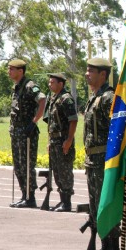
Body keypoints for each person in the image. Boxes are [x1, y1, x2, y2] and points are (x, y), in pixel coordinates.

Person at [82, 58, 120, 250]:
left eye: (91, 71)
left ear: (103, 74)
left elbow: (117, 131)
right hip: (93, 160)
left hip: (104, 160)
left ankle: (113, 249)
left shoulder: (108, 98)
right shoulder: (95, 97)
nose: (87, 74)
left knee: (107, 204)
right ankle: (105, 247)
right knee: (96, 205)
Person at [8, 59, 46, 208]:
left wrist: (34, 121)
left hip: (27, 133)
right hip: (16, 133)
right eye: (9, 69)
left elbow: (42, 100)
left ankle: (30, 197)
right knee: (18, 166)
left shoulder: (30, 86)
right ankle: (24, 195)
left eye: (12, 69)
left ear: (20, 71)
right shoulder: (16, 87)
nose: (9, 71)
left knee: (27, 165)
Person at [43, 73, 77, 212]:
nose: (50, 84)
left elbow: (73, 120)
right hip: (54, 140)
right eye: (49, 82)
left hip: (63, 140)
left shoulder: (66, 99)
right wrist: (50, 141)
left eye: (52, 82)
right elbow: (51, 123)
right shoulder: (53, 99)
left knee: (64, 171)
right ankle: (62, 200)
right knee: (57, 171)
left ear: (61, 84)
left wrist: (69, 140)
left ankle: (67, 202)